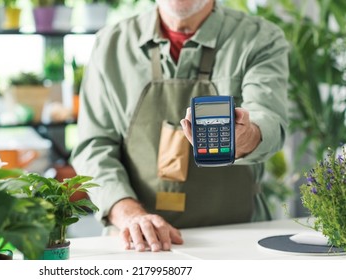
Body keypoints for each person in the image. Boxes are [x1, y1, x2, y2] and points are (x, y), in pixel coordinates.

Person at [70, 0, 289, 252]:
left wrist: (244, 137)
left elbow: (269, 119)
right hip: (136, 245)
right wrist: (130, 215)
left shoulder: (259, 38)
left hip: (235, 239)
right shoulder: (110, 44)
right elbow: (93, 146)